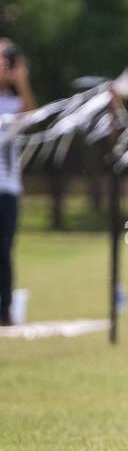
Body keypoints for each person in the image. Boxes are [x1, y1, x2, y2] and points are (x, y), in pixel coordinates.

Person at [0, 41, 35, 326]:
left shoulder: (14, 103)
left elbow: (32, 117)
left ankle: (5, 310)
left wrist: (21, 80)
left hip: (8, 188)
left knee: (4, 251)